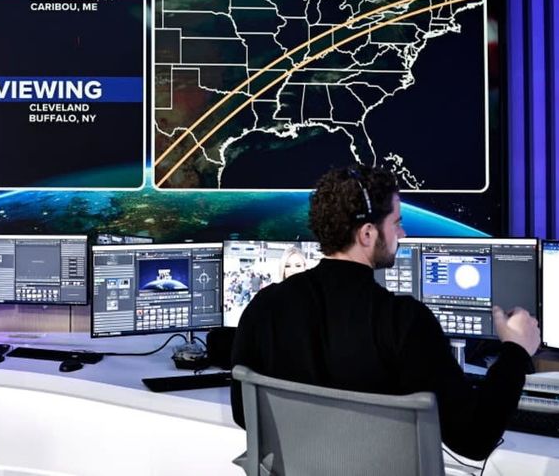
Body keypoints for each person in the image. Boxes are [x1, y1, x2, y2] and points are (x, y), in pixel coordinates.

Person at [230, 166, 540, 460]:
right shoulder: (404, 322)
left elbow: (245, 414)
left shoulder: (264, 307)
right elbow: (474, 440)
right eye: (396, 223)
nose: (402, 234)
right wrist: (515, 352)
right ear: (367, 234)